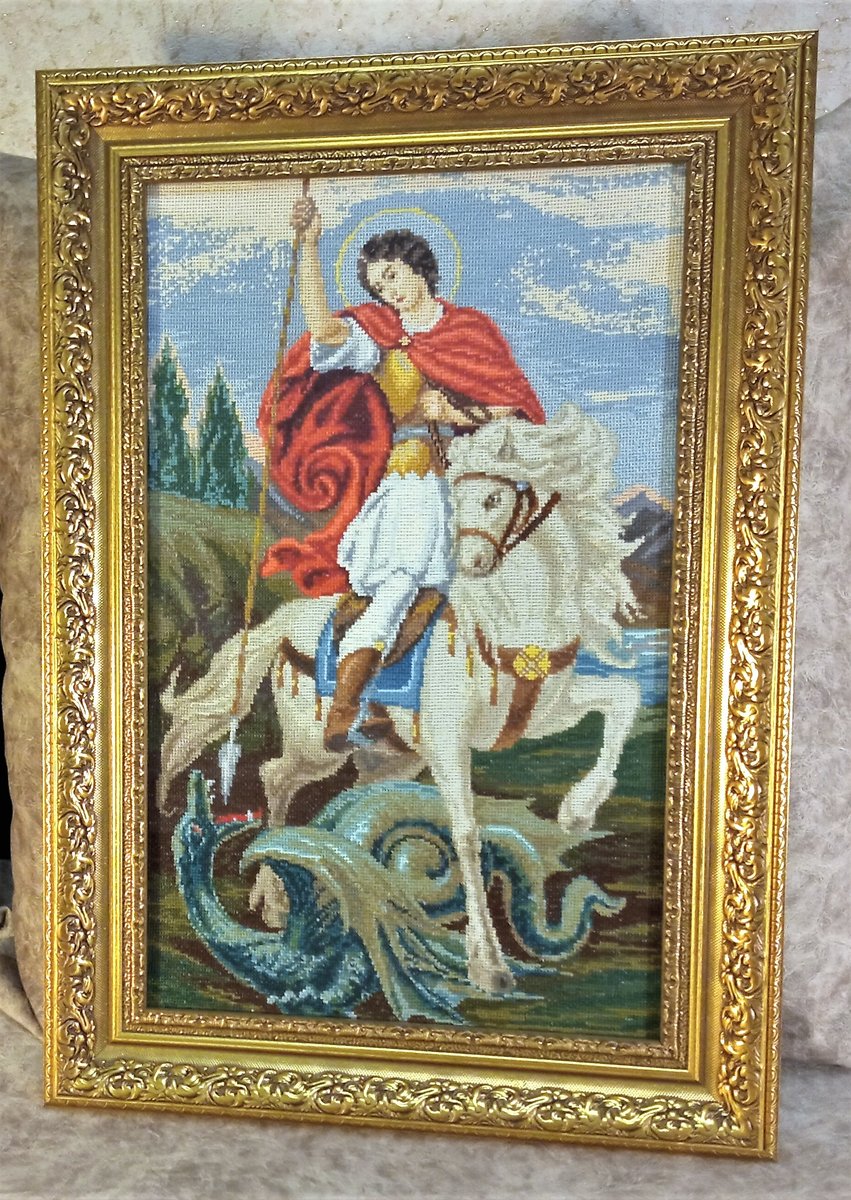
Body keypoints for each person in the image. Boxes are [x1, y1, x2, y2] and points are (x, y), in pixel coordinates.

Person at [258, 195, 546, 752]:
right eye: (377, 284)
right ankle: (346, 709)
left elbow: (512, 411)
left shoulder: (472, 331)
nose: (386, 291)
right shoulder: (377, 336)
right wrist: (310, 247)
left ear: (419, 268)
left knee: (497, 579)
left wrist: (455, 412)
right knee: (398, 587)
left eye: (392, 276)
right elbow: (323, 329)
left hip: (469, 484)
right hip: (411, 486)